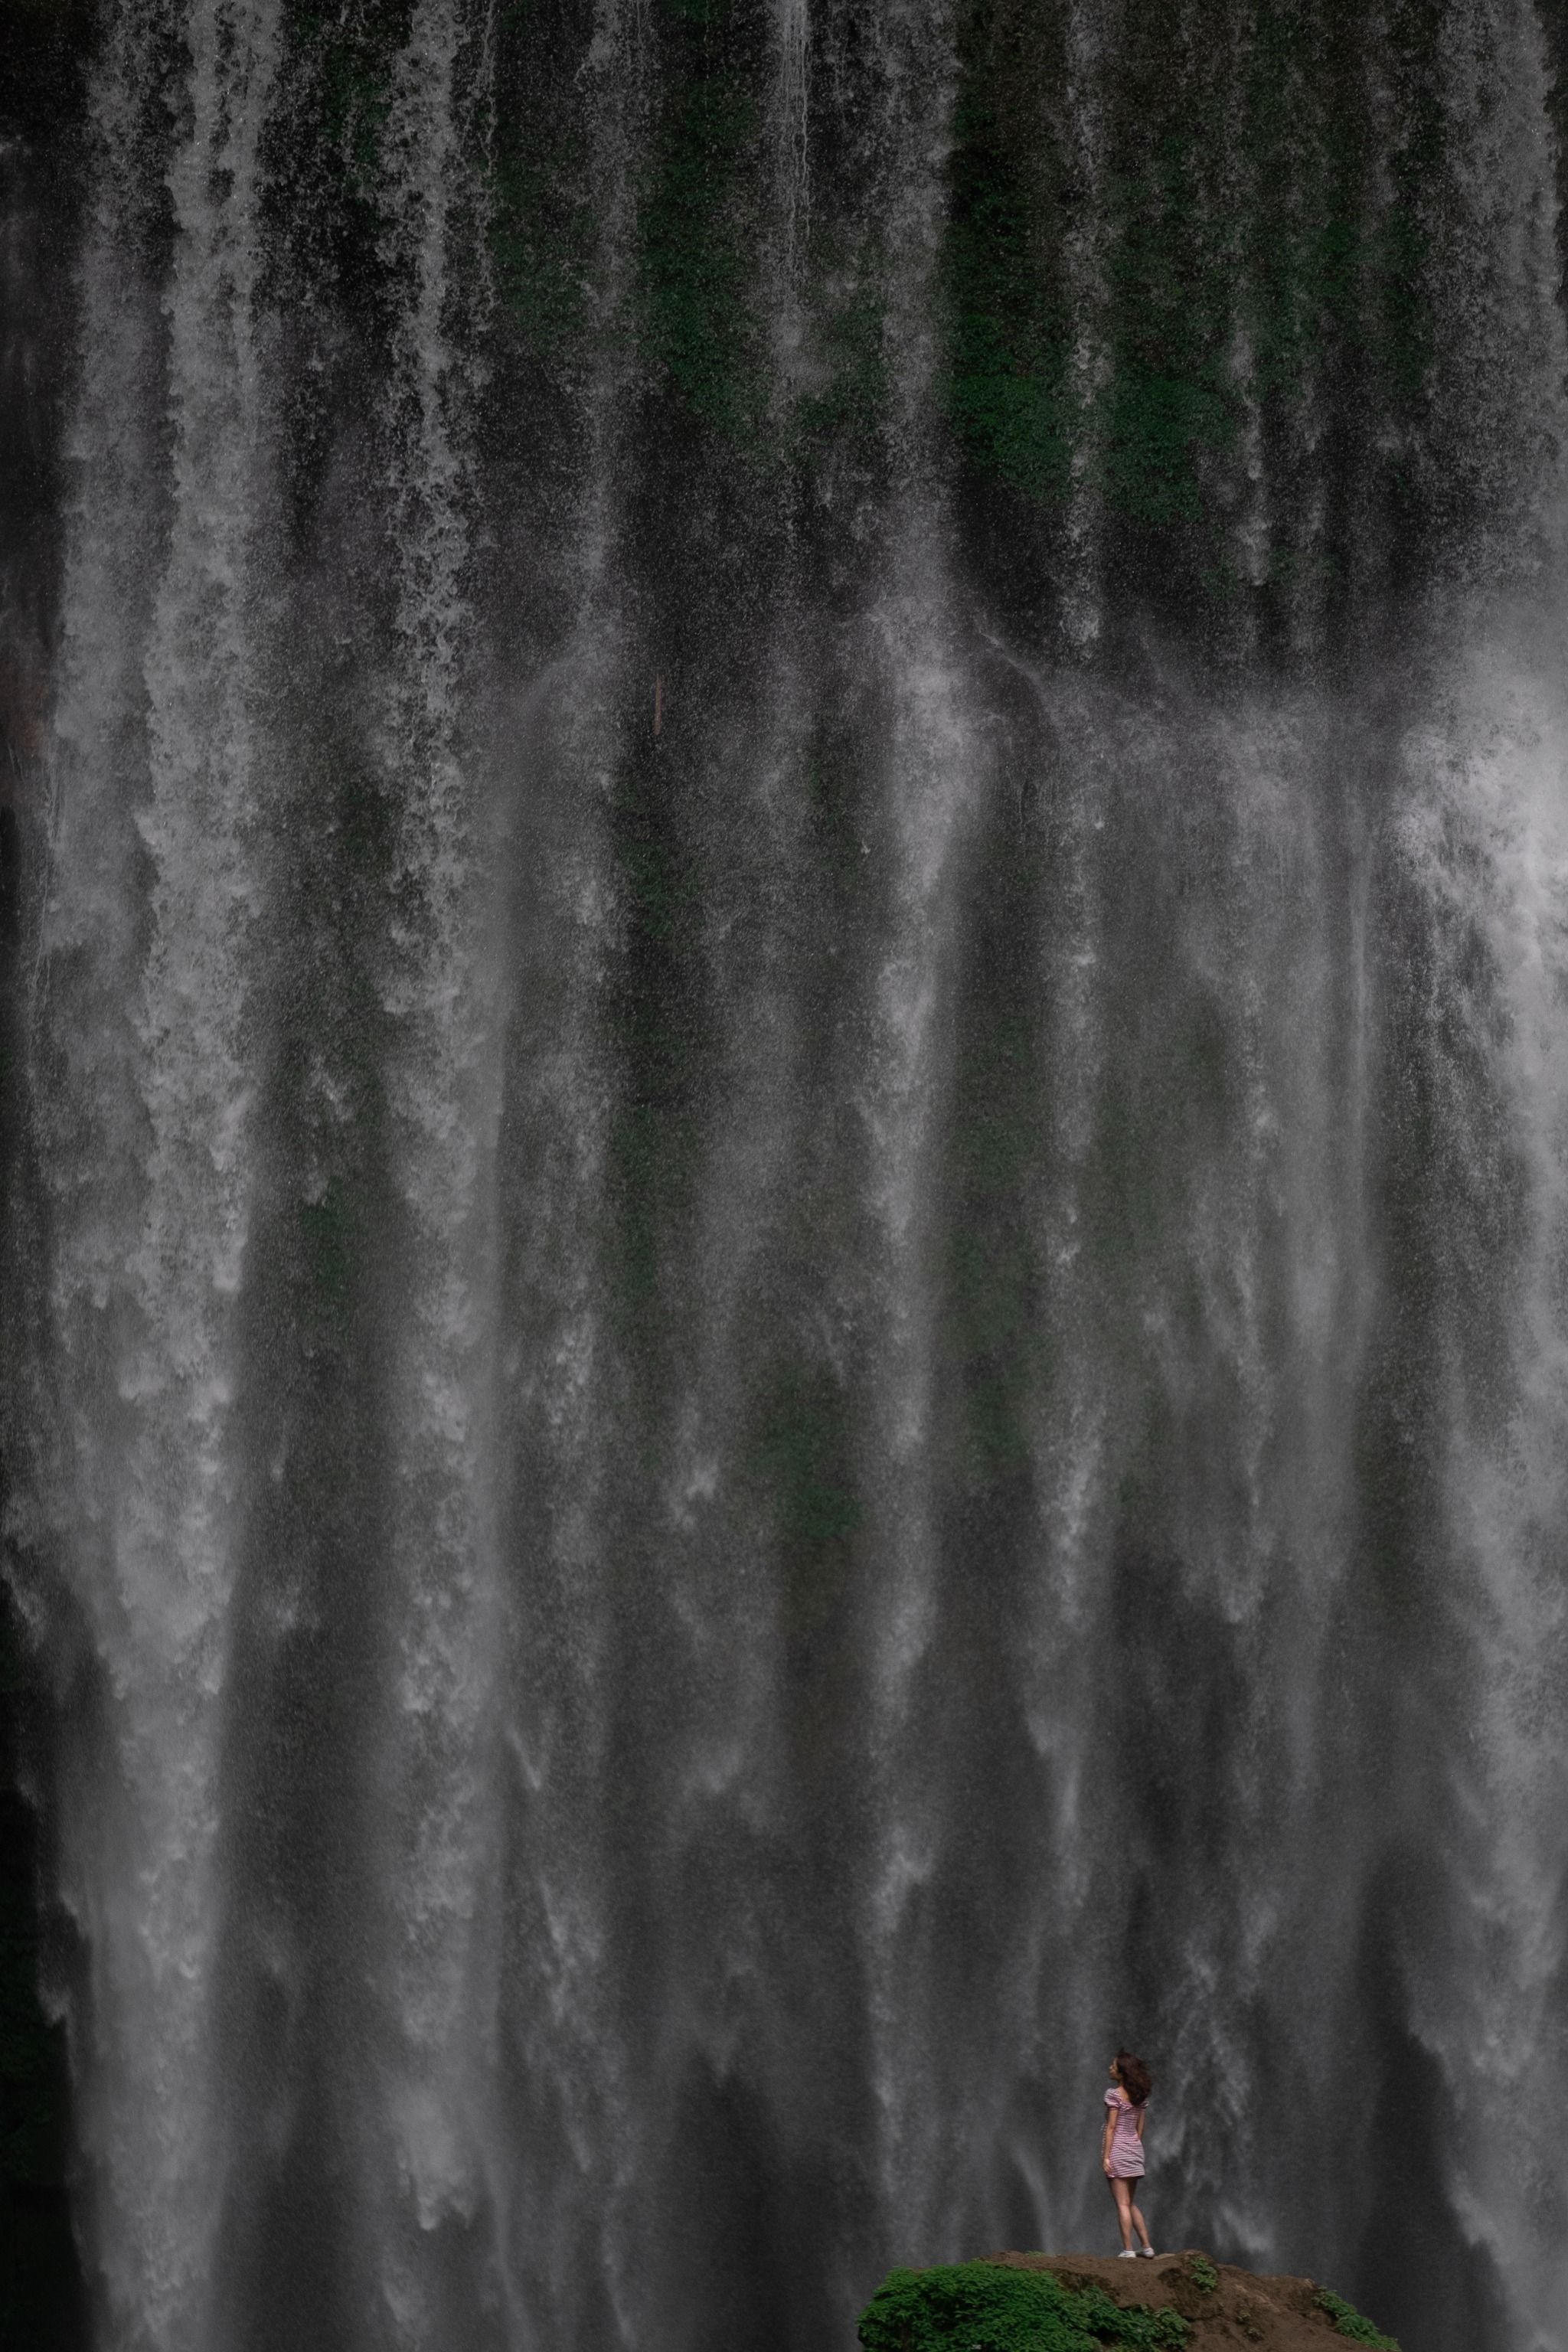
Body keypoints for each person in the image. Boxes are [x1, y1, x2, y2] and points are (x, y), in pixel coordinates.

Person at [1101, 2048, 1156, 2257]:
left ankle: (1128, 2250)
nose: (1110, 2068)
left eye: (1113, 2066)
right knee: (1130, 2202)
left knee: (1122, 2204)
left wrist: (1106, 2156)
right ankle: (1147, 2247)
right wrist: (1134, 2148)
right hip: (1135, 2151)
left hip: (1117, 2150)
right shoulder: (1139, 2097)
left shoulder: (1114, 2095)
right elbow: (1140, 2129)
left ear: (1122, 2073)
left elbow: (1111, 2128)